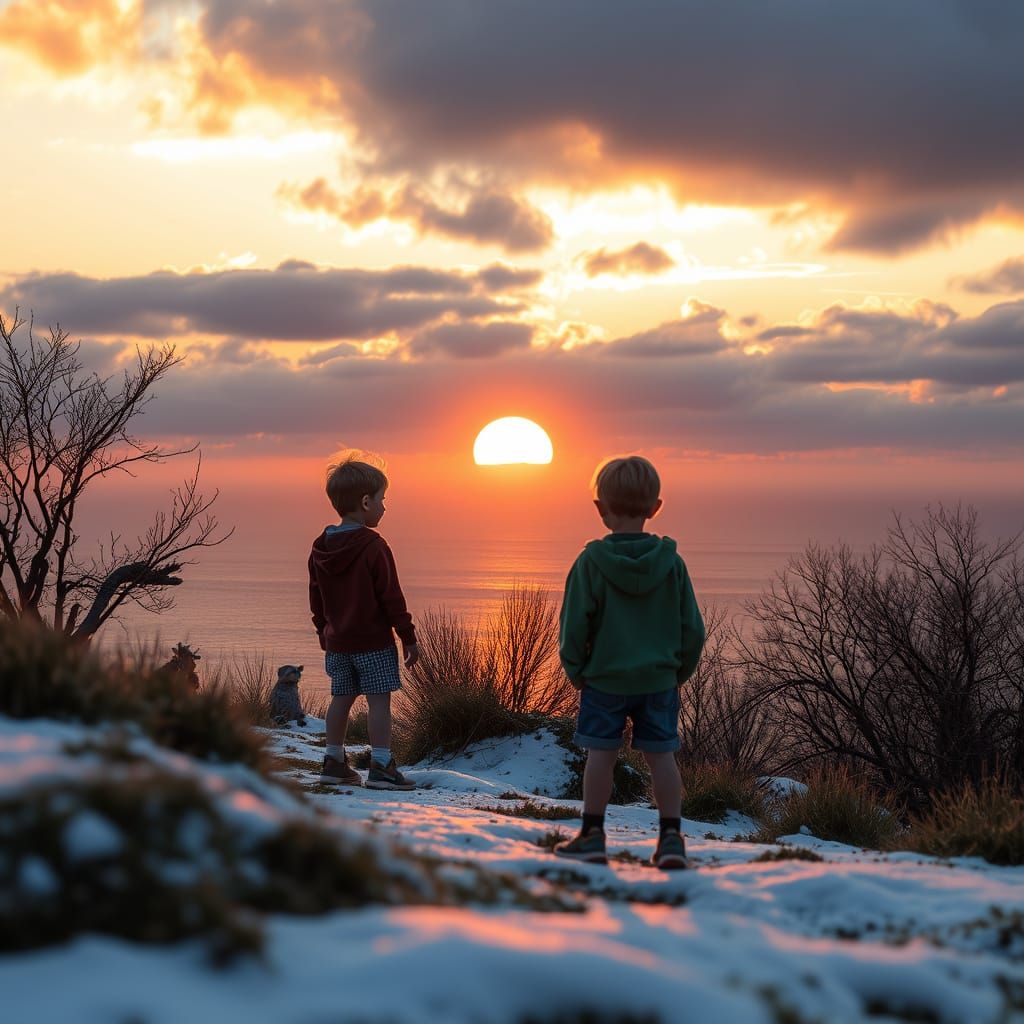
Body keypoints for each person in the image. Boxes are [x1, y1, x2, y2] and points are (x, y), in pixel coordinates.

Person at [554, 455, 705, 869]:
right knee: (662, 758)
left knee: (600, 757)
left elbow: (573, 626)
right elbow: (692, 628)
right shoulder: (671, 564)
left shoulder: (590, 564)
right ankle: (671, 839)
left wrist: (576, 671)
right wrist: (678, 672)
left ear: (601, 509)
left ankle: (592, 834)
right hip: (658, 680)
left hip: (604, 680)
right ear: (656, 507)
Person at [309, 452, 419, 790]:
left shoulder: (320, 547)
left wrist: (323, 632)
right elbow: (391, 596)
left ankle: (333, 761)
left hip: (338, 641)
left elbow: (317, 598)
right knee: (379, 700)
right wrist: (407, 636)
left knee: (340, 699)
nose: (385, 507)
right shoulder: (373, 545)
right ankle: (382, 766)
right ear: (366, 501)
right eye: (383, 499)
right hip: (372, 640)